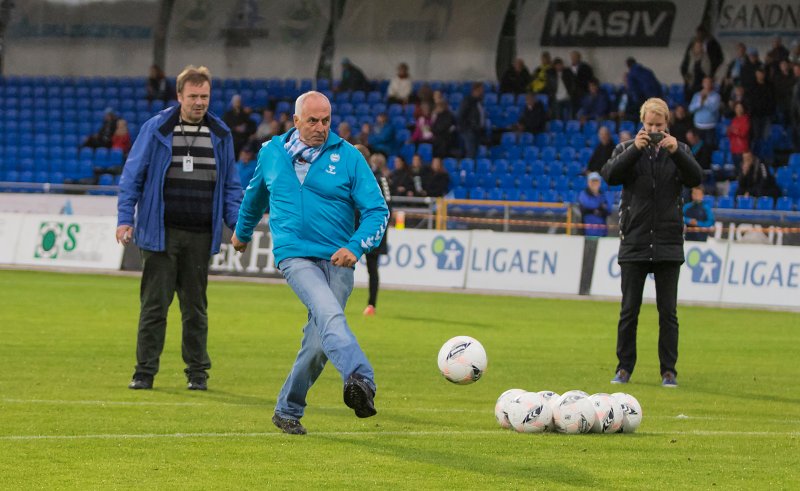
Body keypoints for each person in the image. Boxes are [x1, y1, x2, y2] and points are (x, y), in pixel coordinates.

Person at [231, 91, 389, 435]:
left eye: (326, 121)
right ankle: (361, 378)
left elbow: (378, 210)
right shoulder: (271, 153)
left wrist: (355, 246)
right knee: (328, 312)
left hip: (338, 258)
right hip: (295, 255)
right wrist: (241, 234)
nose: (321, 127)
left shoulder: (348, 156)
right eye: (313, 121)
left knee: (319, 344)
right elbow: (255, 196)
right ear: (296, 120)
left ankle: (287, 409)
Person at [117, 65, 242, 391]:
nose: (199, 102)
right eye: (193, 96)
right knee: (154, 307)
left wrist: (237, 226)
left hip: (201, 235)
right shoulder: (157, 128)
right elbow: (132, 177)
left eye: (204, 96)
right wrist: (124, 218)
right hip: (160, 233)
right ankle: (144, 372)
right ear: (179, 96)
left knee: (195, 309)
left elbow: (231, 187)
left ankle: (197, 374)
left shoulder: (221, 133)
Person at [600, 97, 703, 388]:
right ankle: (624, 368)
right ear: (641, 125)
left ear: (667, 125)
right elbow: (610, 175)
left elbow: (696, 178)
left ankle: (668, 371)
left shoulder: (679, 150)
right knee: (629, 311)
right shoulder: (626, 149)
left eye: (659, 126)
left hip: (669, 244)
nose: (654, 130)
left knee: (668, 313)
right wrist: (635, 148)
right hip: (634, 242)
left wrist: (676, 152)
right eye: (649, 125)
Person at [360, 149, 391, 317]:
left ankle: (371, 304)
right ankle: (371, 304)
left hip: (369, 230)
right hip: (356, 228)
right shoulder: (358, 175)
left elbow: (387, 205)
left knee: (371, 267)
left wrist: (378, 230)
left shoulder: (378, 178)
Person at [688, 77, 721, 149]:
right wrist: (700, 103)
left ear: (712, 84)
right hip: (698, 126)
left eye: (709, 82)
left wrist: (705, 101)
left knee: (708, 148)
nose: (707, 84)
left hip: (710, 127)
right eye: (705, 82)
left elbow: (714, 109)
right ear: (703, 84)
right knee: (698, 148)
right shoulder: (697, 95)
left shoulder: (716, 96)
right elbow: (691, 109)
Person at [457, 82, 485, 158]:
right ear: (476, 90)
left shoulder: (478, 102)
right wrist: (468, 127)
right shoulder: (468, 101)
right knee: (471, 153)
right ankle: (468, 168)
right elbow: (461, 115)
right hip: (469, 131)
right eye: (481, 90)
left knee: (474, 152)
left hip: (476, 131)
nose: (482, 92)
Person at [578, 172, 609, 237]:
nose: (594, 183)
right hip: (587, 231)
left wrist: (598, 209)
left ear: (600, 183)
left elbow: (608, 209)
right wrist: (599, 208)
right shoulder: (583, 194)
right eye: (593, 181)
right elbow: (585, 206)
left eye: (596, 181)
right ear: (588, 182)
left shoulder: (603, 195)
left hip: (601, 231)